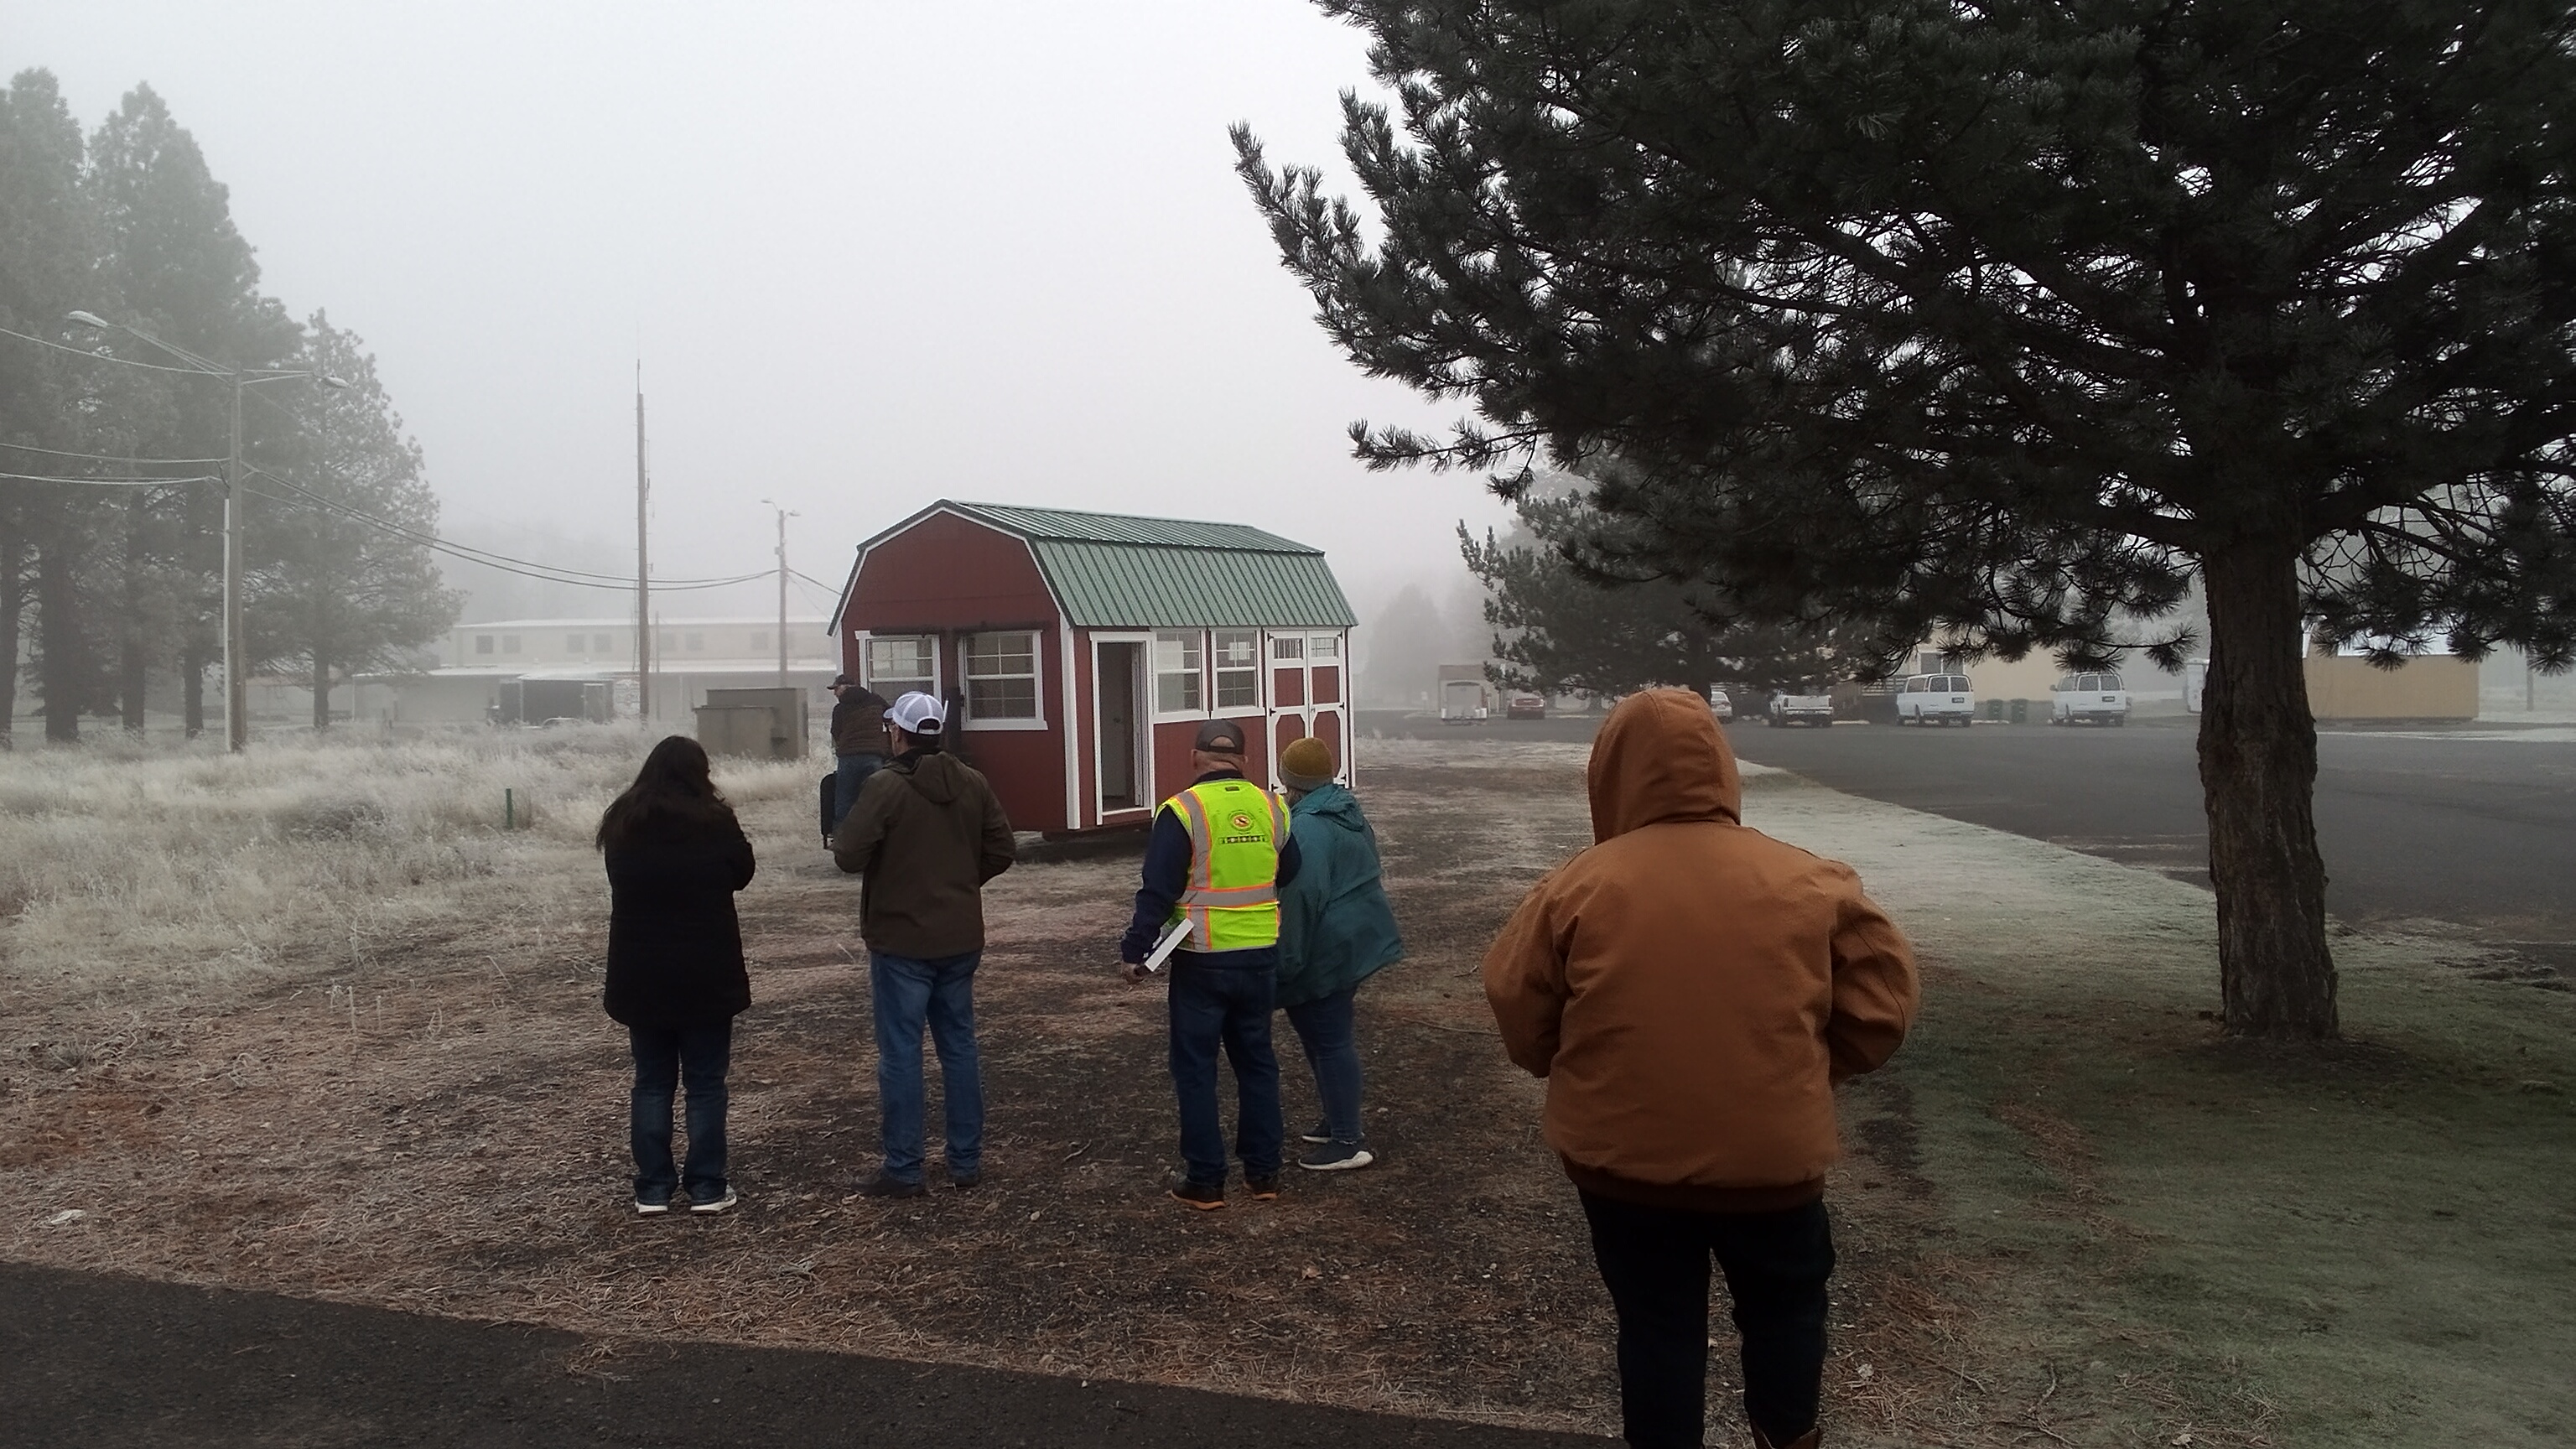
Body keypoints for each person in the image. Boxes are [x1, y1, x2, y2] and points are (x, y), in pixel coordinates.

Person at [1482, 688, 1919, 1449]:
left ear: (1610, 774)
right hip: (1773, 1159)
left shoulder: (1575, 888)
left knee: (1656, 1326)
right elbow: (1880, 1010)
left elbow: (1521, 1011)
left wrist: (1565, 1062)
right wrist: (1804, 1072)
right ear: (1722, 769)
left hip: (1624, 1163)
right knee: (1787, 1312)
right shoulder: (1812, 883)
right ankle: (1787, 1439)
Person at [831, 690, 1015, 1198]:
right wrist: (960, 883)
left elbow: (848, 855)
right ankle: (965, 1162)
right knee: (959, 1047)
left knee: (901, 1055)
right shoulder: (972, 782)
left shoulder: (885, 787)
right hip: (959, 937)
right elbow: (1002, 848)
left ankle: (905, 1168)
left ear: (898, 732)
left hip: (900, 940)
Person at [1119, 717, 1302, 1209]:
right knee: (1258, 1064)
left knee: (1196, 1069)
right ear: (1244, 760)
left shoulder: (1182, 810)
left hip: (1202, 959)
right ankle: (1264, 1174)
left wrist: (1136, 950)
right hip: (1260, 953)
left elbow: (1157, 888)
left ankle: (1205, 1180)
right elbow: (1290, 868)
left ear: (1196, 758)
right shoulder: (1272, 805)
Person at [598, 735, 758, 1216]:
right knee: (706, 1083)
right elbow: (742, 872)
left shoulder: (623, 820)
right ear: (700, 772)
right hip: (706, 971)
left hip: (640, 972)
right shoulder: (713, 819)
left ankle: (653, 1187)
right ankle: (707, 1185)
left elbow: (617, 878)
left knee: (651, 1081)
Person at [1272, 735, 1401, 1171]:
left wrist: (1286, 961)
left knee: (1327, 1037)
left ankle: (1348, 1140)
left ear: (1289, 780)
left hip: (1329, 944)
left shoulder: (1307, 827)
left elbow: (1301, 898)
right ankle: (1336, 1119)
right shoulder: (1345, 810)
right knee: (1323, 1032)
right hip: (1356, 935)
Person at [827, 673, 891, 832]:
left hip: (849, 758)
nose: (835, 693)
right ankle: (877, 834)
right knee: (875, 799)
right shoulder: (876, 700)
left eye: (836, 689)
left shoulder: (840, 709)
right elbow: (891, 717)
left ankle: (843, 838)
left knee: (845, 801)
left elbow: (835, 733)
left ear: (846, 687)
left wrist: (841, 747)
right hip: (874, 757)